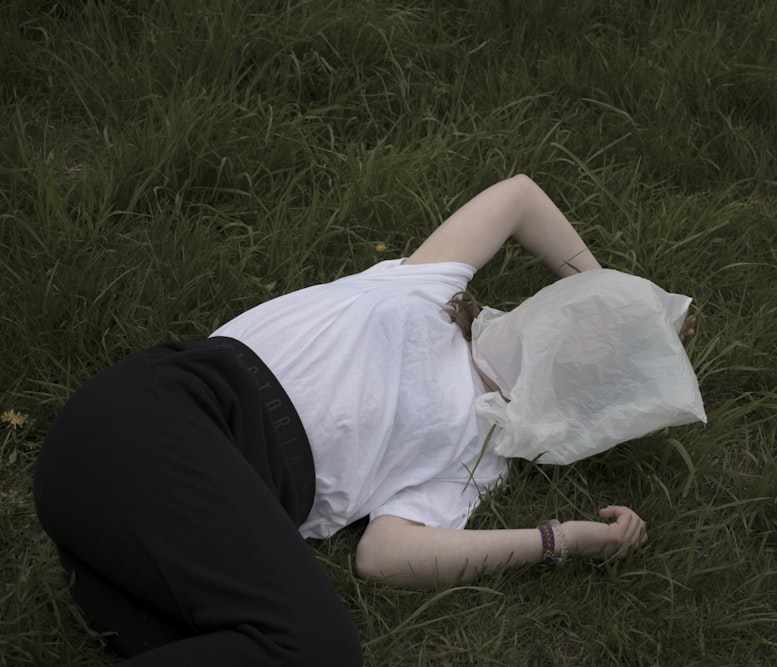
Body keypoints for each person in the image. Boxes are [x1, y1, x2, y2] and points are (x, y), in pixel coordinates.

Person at [34, 175, 678, 666]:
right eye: (586, 318)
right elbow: (519, 197)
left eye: (601, 362)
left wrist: (562, 538)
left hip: (125, 504)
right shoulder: (428, 287)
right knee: (313, 649)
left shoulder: (482, 453)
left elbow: (386, 555)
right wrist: (616, 294)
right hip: (164, 409)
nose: (579, 342)